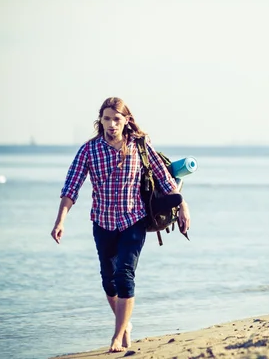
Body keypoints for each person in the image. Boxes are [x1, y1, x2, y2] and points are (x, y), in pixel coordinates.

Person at [50, 97, 191, 352]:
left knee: (125, 274)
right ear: (100, 121)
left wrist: (183, 206)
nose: (112, 124)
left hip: (133, 220)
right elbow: (72, 186)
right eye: (106, 119)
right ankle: (125, 323)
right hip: (102, 222)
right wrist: (60, 220)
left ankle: (117, 336)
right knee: (108, 280)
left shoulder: (140, 145)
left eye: (117, 119)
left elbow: (163, 177)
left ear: (126, 120)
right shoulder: (89, 150)